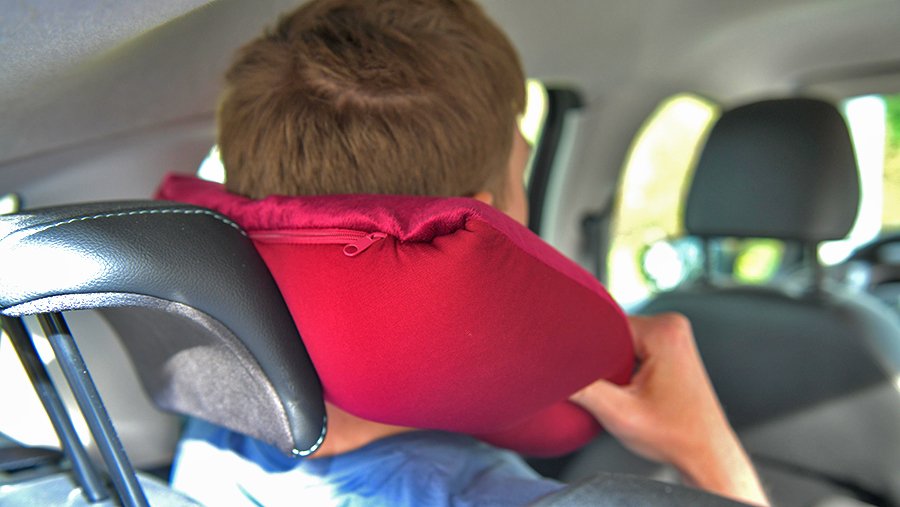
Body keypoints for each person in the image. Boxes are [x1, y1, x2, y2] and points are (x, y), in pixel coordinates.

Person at [169, 0, 769, 505]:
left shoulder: (218, 425)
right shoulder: (481, 494)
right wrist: (703, 447)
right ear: (485, 222)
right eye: (522, 167)